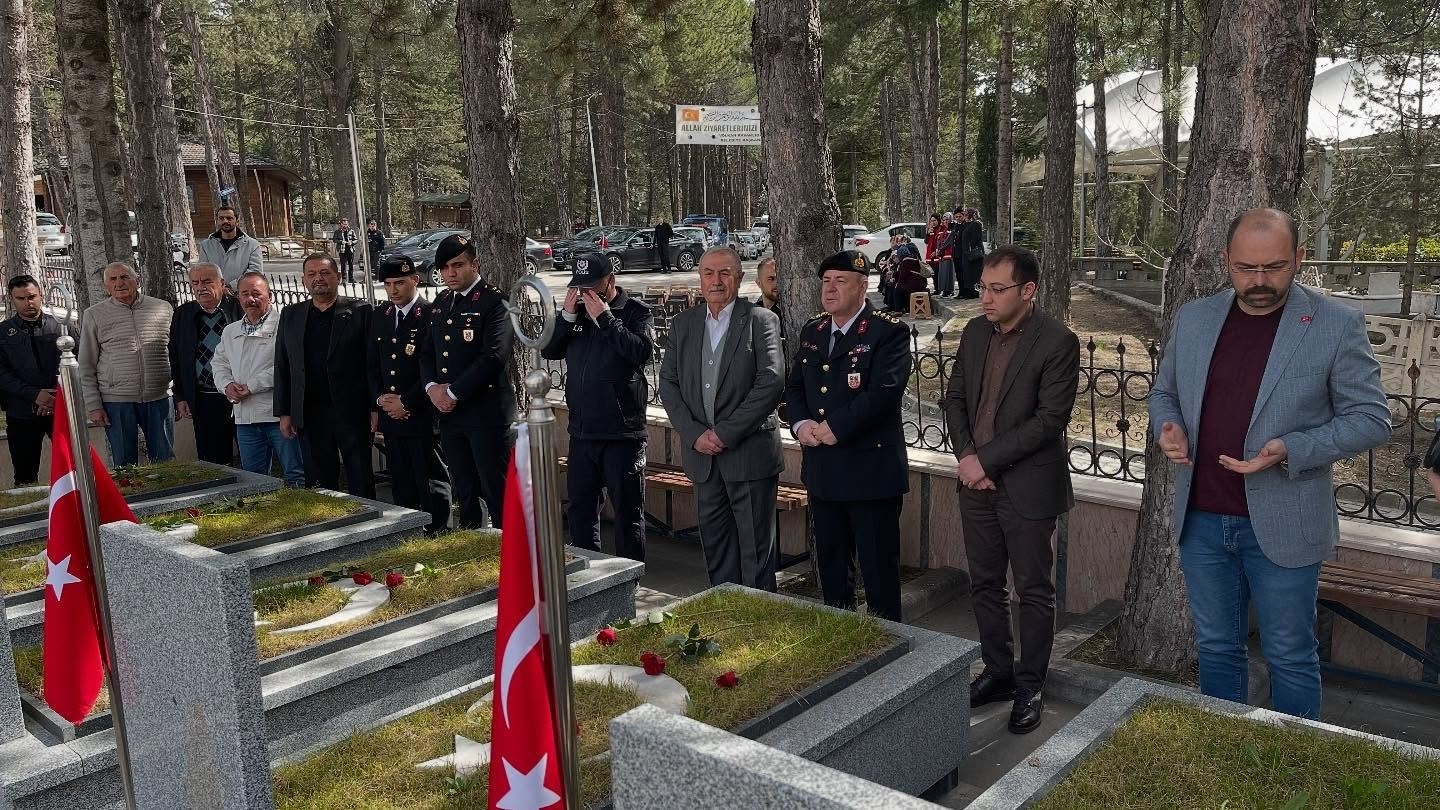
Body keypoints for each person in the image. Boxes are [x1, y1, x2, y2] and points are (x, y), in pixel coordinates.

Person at [1150, 208, 1390, 720]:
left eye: (1274, 267)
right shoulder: (1195, 318)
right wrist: (1168, 426)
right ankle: (1225, 751)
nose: (1258, 281)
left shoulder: (1335, 324)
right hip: (1202, 519)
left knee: (1290, 655)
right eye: (1245, 268)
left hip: (1286, 521)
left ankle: (1295, 759)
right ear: (1226, 261)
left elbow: (1372, 419)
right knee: (1216, 647)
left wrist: (1292, 448)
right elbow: (1164, 392)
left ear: (1298, 258)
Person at [940, 245, 1080, 735]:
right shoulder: (975, 332)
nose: (986, 298)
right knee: (984, 584)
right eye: (983, 287)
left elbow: (1048, 421)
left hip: (1026, 487)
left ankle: (1030, 685)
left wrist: (986, 461)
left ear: (1028, 290)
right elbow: (955, 398)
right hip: (974, 484)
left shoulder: (1058, 341)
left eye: (998, 289)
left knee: (1034, 590)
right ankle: (998, 672)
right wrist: (967, 457)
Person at [784, 250, 912, 620]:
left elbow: (884, 393)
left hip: (870, 474)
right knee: (833, 567)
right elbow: (795, 388)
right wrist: (801, 424)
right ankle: (840, 637)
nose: (830, 288)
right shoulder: (814, 331)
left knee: (878, 572)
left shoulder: (888, 332)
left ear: (863, 286)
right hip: (824, 471)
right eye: (826, 281)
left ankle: (888, 641)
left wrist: (835, 428)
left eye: (840, 281)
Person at [659, 247, 785, 590]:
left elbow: (771, 381)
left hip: (749, 457)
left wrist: (725, 434)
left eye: (725, 273)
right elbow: (667, 384)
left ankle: (757, 617)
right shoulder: (684, 325)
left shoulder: (760, 320)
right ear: (700, 279)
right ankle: (725, 611)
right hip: (703, 460)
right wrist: (695, 434)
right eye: (709, 273)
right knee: (716, 550)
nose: (716, 281)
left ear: (739, 278)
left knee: (756, 555)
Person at [542, 251, 655, 561]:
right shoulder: (575, 314)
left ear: (610, 281)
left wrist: (606, 319)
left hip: (622, 434)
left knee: (627, 515)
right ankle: (588, 576)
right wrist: (566, 317)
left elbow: (640, 352)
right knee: (581, 512)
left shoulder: (634, 312)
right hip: (582, 433)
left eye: (592, 286)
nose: (585, 294)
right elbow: (550, 350)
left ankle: (629, 580)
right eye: (580, 287)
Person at [421, 234, 516, 528]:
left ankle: (507, 548)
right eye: (445, 268)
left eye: (458, 265)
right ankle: (472, 544)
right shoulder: (442, 302)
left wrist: (452, 393)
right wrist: (431, 389)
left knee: (496, 490)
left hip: (485, 413)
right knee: (464, 490)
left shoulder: (494, 301)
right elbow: (427, 353)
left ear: (475, 265)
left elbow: (493, 357)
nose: (450, 273)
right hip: (451, 416)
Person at [274, 254, 376, 496]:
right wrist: (285, 412)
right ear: (304, 280)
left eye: (324, 273)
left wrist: (375, 407)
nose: (318, 278)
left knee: (360, 475)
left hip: (352, 411)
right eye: (311, 274)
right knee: (319, 481)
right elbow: (283, 365)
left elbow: (372, 363)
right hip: (310, 412)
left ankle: (368, 518)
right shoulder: (291, 314)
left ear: (338, 277)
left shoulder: (360, 311)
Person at [369, 257, 452, 535]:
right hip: (392, 416)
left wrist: (406, 402)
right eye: (388, 284)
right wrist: (380, 400)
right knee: (401, 478)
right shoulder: (381, 315)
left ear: (415, 280)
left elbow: (434, 367)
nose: (393, 290)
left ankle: (438, 533)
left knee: (431, 479)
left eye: (400, 283)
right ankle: (408, 532)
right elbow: (372, 364)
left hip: (421, 414)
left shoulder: (430, 314)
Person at [78, 262, 175, 467]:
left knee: (165, 461)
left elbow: (176, 353)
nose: (119, 283)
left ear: (137, 280)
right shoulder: (94, 314)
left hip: (158, 397)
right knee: (124, 464)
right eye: (112, 279)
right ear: (106, 286)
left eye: (124, 277)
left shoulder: (162, 308)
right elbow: (86, 365)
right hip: (116, 401)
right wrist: (94, 406)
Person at [211, 273, 305, 487]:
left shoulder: (285, 325)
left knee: (296, 474)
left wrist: (252, 386)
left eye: (256, 293)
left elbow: (289, 366)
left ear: (269, 295)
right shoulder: (231, 331)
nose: (250, 299)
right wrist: (226, 386)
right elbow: (219, 363)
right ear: (238, 298)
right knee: (254, 479)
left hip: (279, 416)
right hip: (245, 419)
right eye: (245, 294)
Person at [169, 263, 242, 465]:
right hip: (203, 398)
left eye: (207, 281)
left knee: (249, 455)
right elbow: (175, 356)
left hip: (239, 394)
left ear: (222, 283)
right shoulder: (183, 314)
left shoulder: (238, 308)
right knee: (212, 461)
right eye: (195, 283)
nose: (201, 287)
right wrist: (180, 395)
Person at [0, 276, 61, 485]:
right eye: (21, 298)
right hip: (22, 412)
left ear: (40, 295)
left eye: (32, 296)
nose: (28, 302)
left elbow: (77, 362)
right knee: (25, 476)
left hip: (60, 409)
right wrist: (35, 395)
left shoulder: (60, 326)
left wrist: (52, 397)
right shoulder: (3, 333)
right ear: (12, 299)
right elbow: (2, 375)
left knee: (72, 466)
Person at [196, 206, 263, 288]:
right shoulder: (206, 245)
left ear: (237, 221)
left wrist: (231, 286)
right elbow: (203, 271)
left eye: (229, 218)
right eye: (221, 218)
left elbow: (255, 272)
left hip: (242, 292)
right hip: (215, 292)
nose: (225, 221)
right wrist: (218, 287)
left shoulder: (252, 245)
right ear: (217, 221)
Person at [958, 208, 987, 298]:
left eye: (966, 214)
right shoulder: (968, 224)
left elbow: (975, 239)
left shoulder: (976, 224)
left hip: (973, 253)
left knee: (973, 273)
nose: (964, 216)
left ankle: (973, 292)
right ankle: (969, 291)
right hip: (967, 253)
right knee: (968, 273)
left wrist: (969, 248)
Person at [754, 257, 785, 337]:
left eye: (779, 278)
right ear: (759, 283)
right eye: (771, 279)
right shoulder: (753, 313)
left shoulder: (787, 313)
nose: (777, 283)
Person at [333, 218, 359, 283]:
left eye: (346, 224)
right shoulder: (337, 231)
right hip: (342, 250)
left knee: (351, 265)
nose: (345, 225)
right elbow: (334, 240)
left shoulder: (351, 231)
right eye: (344, 224)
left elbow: (356, 240)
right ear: (341, 224)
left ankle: (351, 278)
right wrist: (341, 242)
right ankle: (344, 279)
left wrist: (352, 243)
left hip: (350, 250)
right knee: (343, 265)